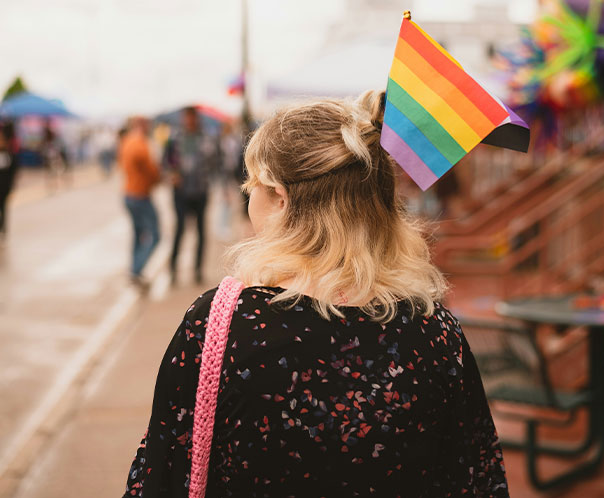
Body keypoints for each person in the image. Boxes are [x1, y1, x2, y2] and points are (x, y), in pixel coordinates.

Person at [122, 91, 509, 497]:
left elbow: (160, 475)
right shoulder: (437, 334)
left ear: (280, 199)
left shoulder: (219, 324)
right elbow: (479, 479)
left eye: (253, 184)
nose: (247, 195)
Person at [164, 106, 218, 284]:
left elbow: (216, 161)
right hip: (181, 192)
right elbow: (165, 162)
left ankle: (197, 270)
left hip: (200, 191)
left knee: (201, 232)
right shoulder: (174, 139)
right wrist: (172, 175)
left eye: (191, 118)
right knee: (180, 230)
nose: (189, 121)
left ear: (196, 119)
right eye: (186, 118)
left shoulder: (206, 138)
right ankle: (173, 270)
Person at [119, 117, 160, 289]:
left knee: (137, 235)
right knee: (155, 235)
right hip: (140, 195)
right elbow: (151, 171)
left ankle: (134, 269)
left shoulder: (126, 141)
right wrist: (159, 178)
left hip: (128, 193)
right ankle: (136, 269)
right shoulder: (139, 144)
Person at [0, 122, 19, 240]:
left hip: (4, 186)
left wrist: (11, 186)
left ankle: (3, 229)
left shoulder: (10, 155)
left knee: (3, 207)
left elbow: (13, 172)